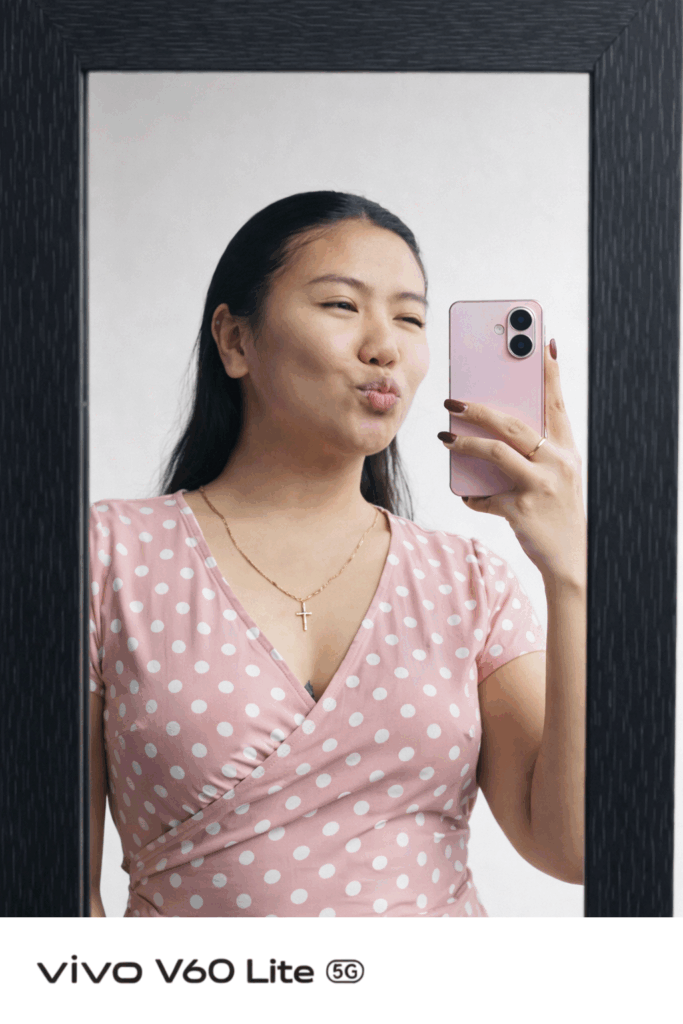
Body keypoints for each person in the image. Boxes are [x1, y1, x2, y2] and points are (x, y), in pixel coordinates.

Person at [88, 190, 587, 918]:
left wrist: (571, 572)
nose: (385, 346)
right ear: (235, 341)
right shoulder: (106, 557)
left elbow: (573, 847)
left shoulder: (471, 584)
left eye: (410, 318)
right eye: (342, 305)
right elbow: (56, 896)